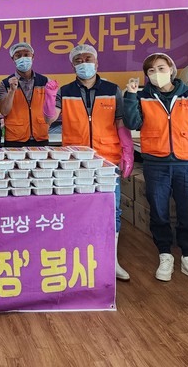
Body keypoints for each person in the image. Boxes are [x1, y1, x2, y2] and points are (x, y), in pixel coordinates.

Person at [123, 52, 188, 285]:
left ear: (171, 69)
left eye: (161, 68)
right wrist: (130, 96)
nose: (157, 74)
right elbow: (132, 123)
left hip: (186, 162)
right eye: (151, 71)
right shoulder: (142, 96)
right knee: (159, 211)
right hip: (156, 162)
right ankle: (165, 255)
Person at [56, 44, 134, 281]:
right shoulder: (65, 91)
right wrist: (49, 100)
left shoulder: (112, 90)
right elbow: (50, 118)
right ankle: (80, 259)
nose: (84, 63)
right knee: (79, 209)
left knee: (112, 209)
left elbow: (120, 122)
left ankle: (111, 260)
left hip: (107, 160)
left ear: (97, 62)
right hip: (76, 161)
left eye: (88, 58)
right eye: (78, 60)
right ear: (72, 65)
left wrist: (127, 150)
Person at [0, 42, 58, 147]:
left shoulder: (45, 82)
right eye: (18, 56)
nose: (23, 58)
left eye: (26, 54)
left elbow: (51, 112)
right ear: (13, 59)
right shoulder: (5, 83)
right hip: (15, 139)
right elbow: (4, 111)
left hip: (40, 137)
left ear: (32, 57)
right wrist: (12, 91)